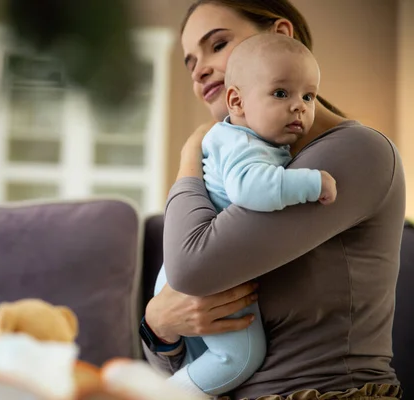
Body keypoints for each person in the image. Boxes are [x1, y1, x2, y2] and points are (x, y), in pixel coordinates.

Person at [138, 1, 405, 399]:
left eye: (217, 44)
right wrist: (157, 325)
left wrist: (190, 155)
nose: (199, 71)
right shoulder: (244, 167)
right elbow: (177, 364)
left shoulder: (356, 153)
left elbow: (190, 269)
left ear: (280, 35)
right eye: (190, 61)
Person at [152, 33, 337, 398]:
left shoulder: (244, 139)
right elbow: (251, 189)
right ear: (236, 100)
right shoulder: (242, 142)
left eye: (308, 96)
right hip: (203, 276)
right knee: (241, 357)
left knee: (205, 362)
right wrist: (314, 183)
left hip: (188, 274)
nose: (299, 106)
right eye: (281, 93)